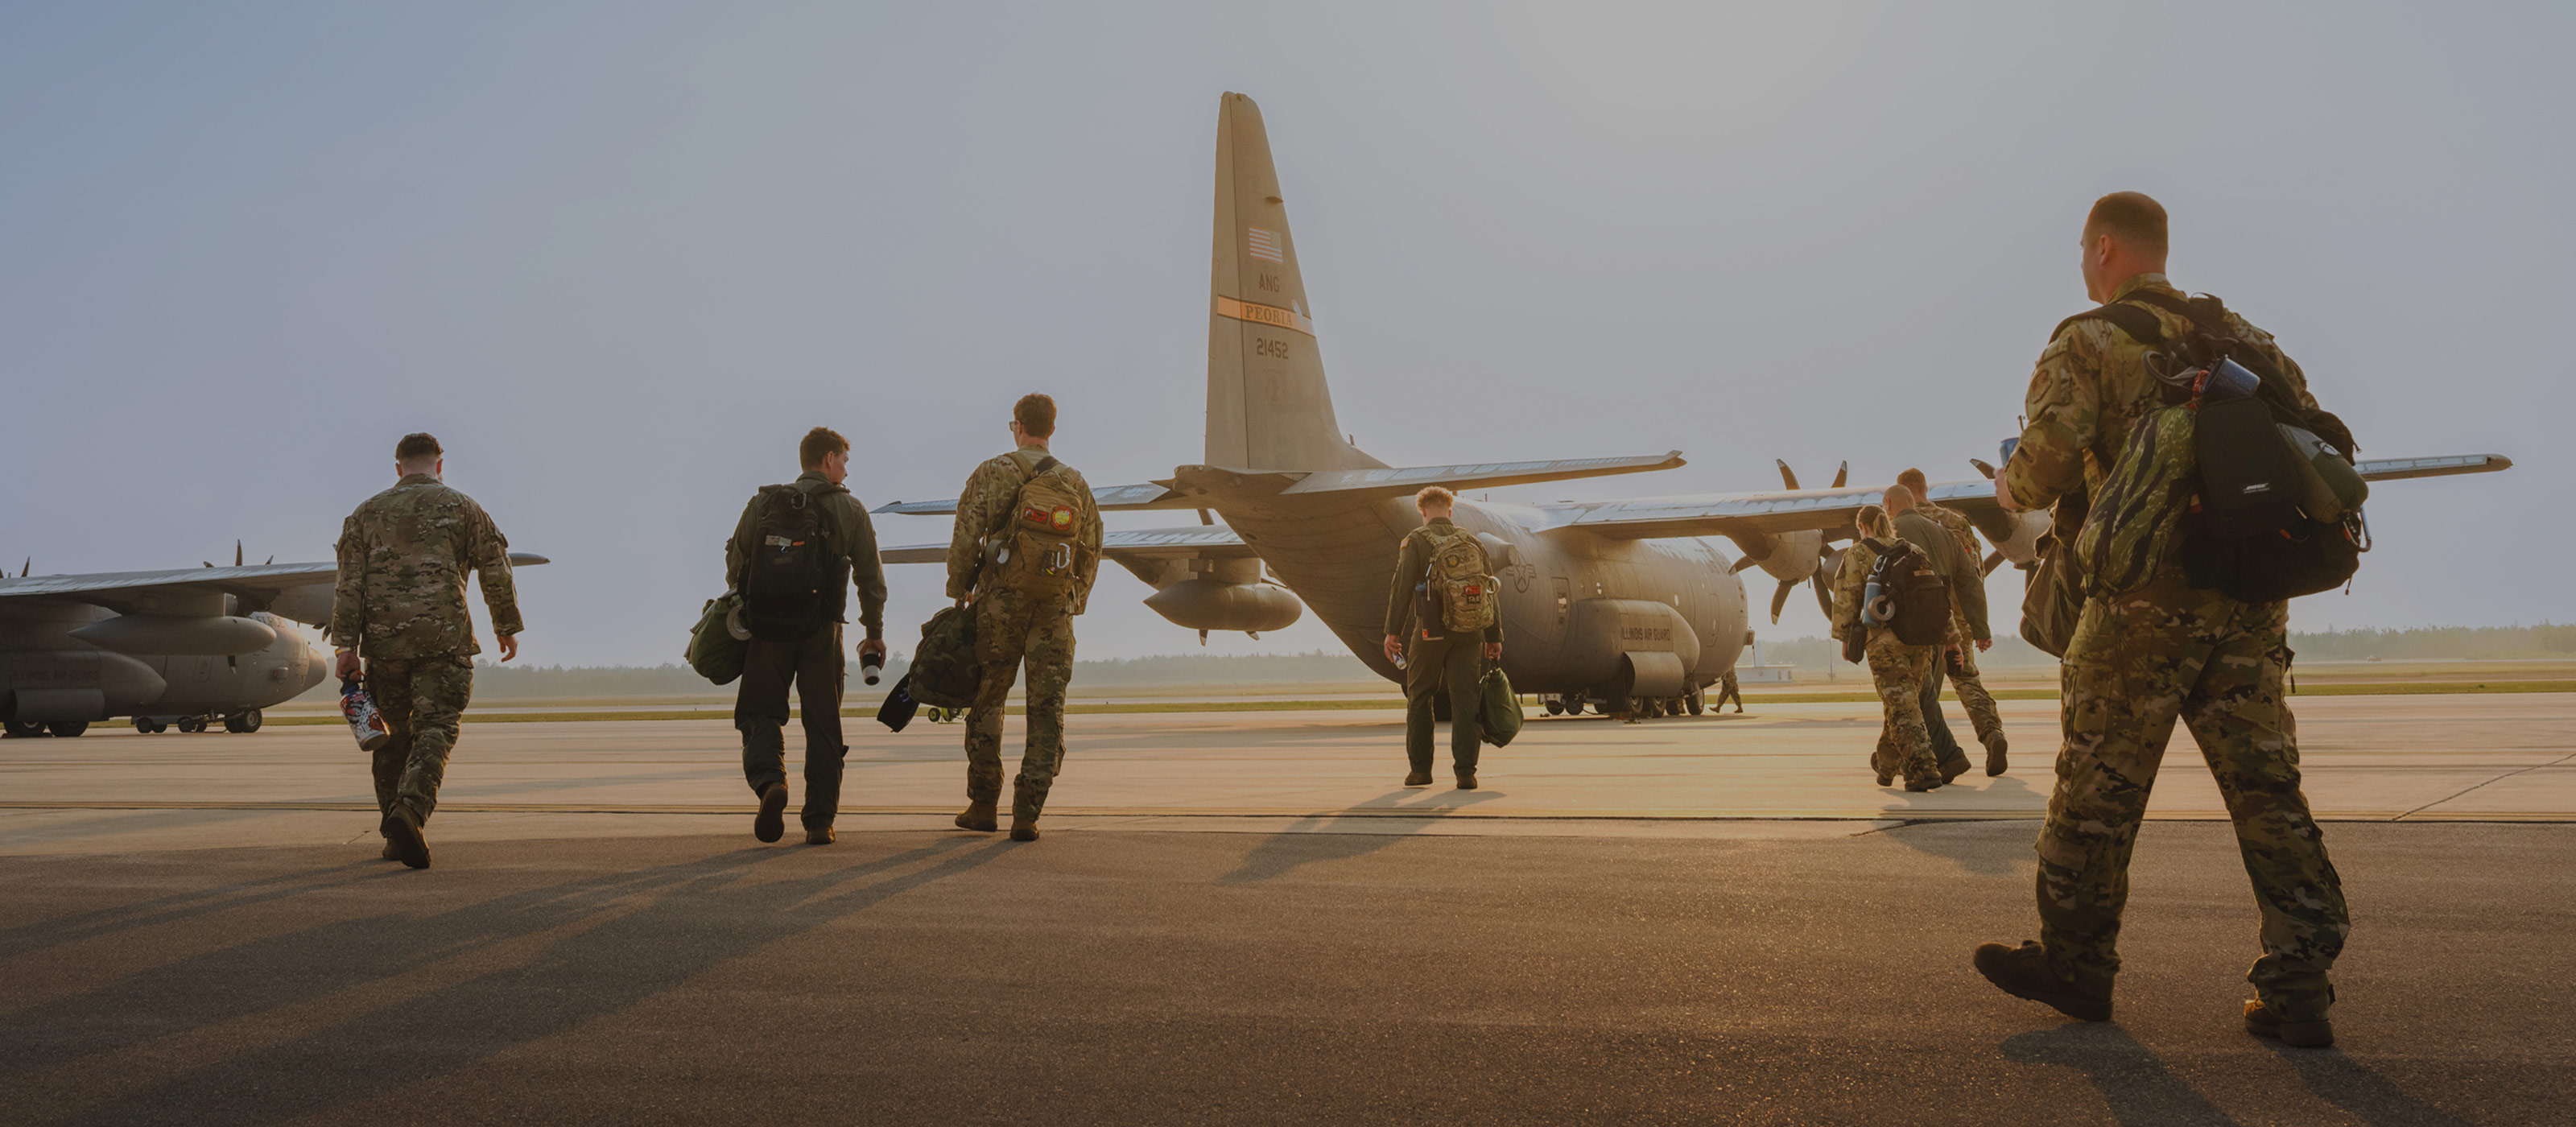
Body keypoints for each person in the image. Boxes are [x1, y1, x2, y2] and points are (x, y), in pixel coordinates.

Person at [1976, 192, 2347, 1048]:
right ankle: (2298, 988)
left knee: (2096, 793)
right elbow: (2308, 441)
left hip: (2139, 607)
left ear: (2105, 247)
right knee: (2267, 792)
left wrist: (2008, 482)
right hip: (2248, 601)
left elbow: (2040, 470)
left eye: (2083, 249)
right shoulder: (2245, 341)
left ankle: (2075, 967)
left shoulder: (2087, 338)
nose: (2082, 264)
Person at [330, 432, 522, 870]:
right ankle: (411, 811)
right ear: (439, 465)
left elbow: (349, 585)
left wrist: (346, 647)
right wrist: (506, 626)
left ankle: (395, 836)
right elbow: (496, 567)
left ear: (398, 467)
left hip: (385, 647)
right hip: (444, 641)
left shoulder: (365, 513)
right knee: (437, 726)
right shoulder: (463, 507)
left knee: (390, 738)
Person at [945, 394, 1104, 842]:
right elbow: (1092, 548)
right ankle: (1027, 813)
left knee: (988, 700)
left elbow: (965, 537)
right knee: (1047, 708)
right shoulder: (1074, 482)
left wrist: (960, 589)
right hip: (1053, 610)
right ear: (1052, 429)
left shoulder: (992, 472)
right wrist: (1073, 599)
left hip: (999, 605)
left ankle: (983, 805)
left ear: (1017, 426)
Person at [724, 427, 889, 847]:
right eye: (844, 461)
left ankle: (770, 782)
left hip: (767, 631)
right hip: (821, 631)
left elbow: (737, 562)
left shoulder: (764, 502)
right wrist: (873, 633)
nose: (846, 470)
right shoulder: (850, 508)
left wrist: (756, 607)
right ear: (829, 459)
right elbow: (870, 578)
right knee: (822, 725)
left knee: (759, 713)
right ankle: (819, 821)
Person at [1381, 486, 1503, 788]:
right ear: (1450, 511)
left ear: (1422, 512)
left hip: (1431, 631)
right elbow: (1488, 590)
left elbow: (1402, 587)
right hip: (1470, 632)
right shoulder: (1472, 541)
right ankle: (1466, 773)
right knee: (1466, 701)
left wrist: (1392, 633)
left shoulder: (1416, 541)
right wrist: (1493, 636)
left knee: (1420, 697)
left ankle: (1421, 771)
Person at [1898, 468, 2008, 775]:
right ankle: (1992, 734)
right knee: (1966, 677)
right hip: (1960, 612)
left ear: (1903, 492)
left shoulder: (1900, 524)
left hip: (1923, 615)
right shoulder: (1957, 523)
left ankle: (1923, 755)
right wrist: (1979, 623)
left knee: (1920, 686)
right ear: (1925, 488)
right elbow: (1974, 575)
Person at [1831, 503, 1942, 791]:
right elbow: (1934, 595)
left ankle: (1924, 767)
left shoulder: (1858, 553)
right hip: (1921, 640)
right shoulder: (1914, 551)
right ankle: (1886, 765)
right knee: (1902, 704)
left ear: (1862, 527)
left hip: (1885, 642)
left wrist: (1844, 638)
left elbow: (1846, 598)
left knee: (1902, 707)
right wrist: (1950, 637)